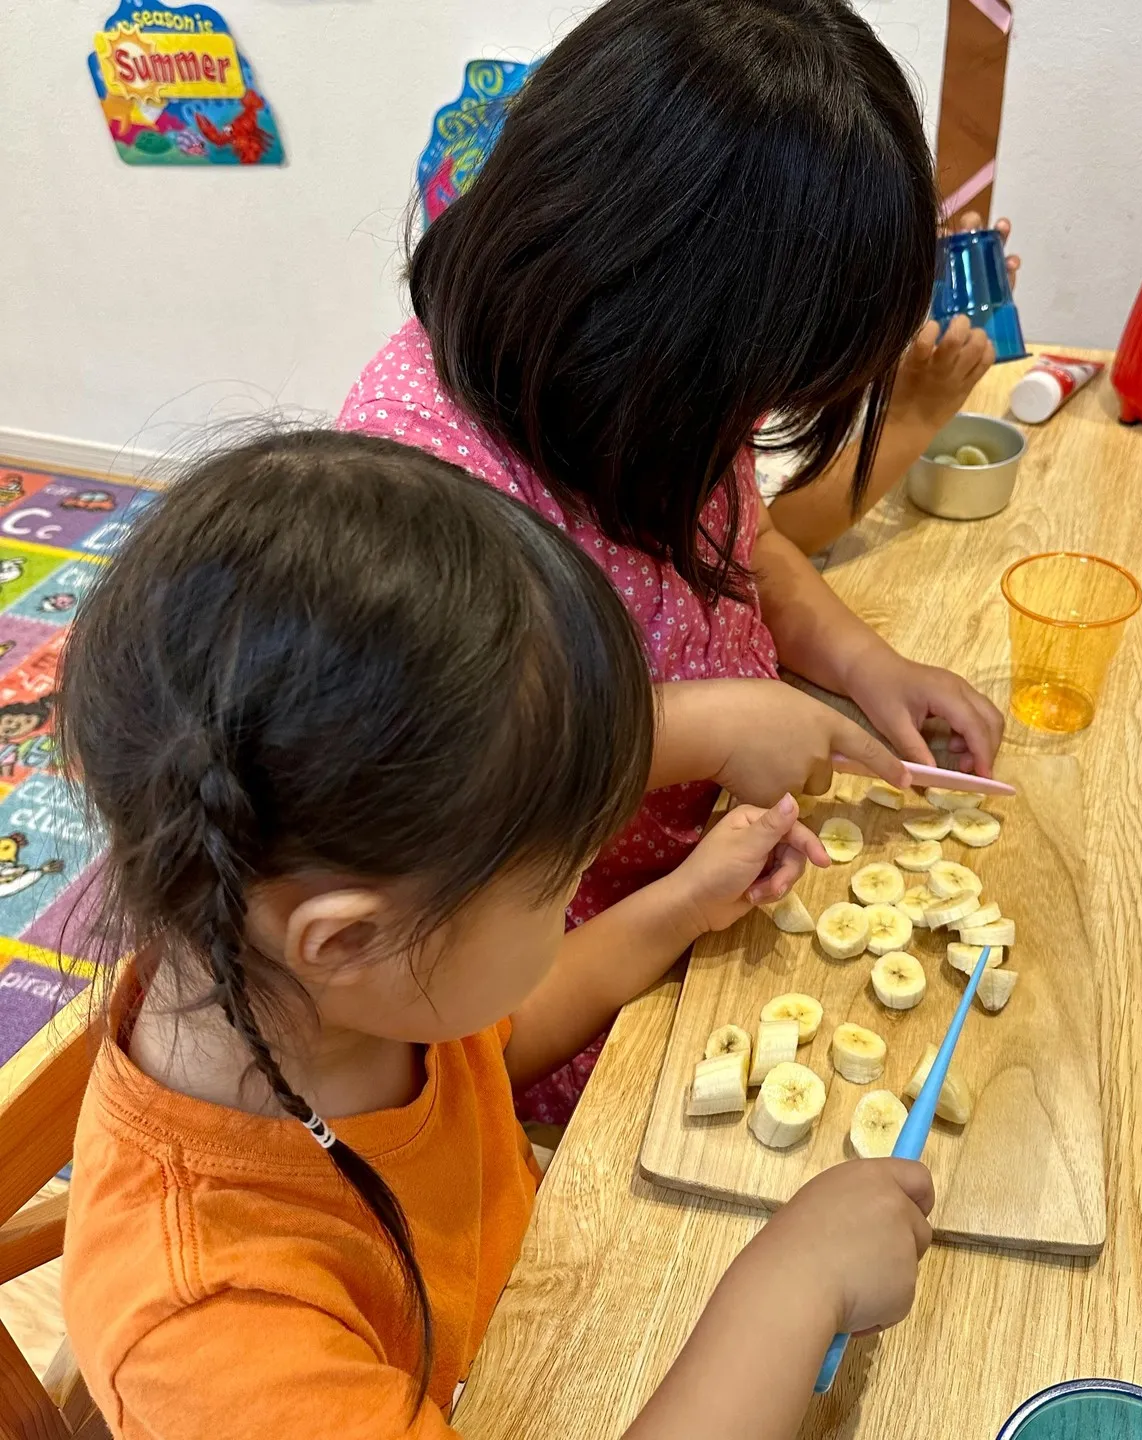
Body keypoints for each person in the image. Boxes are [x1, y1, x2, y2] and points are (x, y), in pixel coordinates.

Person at [59, 431, 935, 1439]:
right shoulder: (211, 1329)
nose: (574, 894)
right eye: (558, 882)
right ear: (345, 941)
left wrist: (685, 901)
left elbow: (497, 1043)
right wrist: (794, 1290)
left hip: (542, 1323)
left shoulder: (326, 989)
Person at [339, 0, 1005, 1122]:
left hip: (712, 869)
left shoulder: (652, 386)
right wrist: (710, 725)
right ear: (667, 321)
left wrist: (861, 657)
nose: (757, 424)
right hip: (567, 971)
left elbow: (747, 546)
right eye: (768, 388)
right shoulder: (420, 495)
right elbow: (459, 766)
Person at [767, 213, 1020, 556]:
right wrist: (912, 418)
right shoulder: (753, 385)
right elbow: (776, 535)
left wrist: (952, 305)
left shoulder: (839, 337)